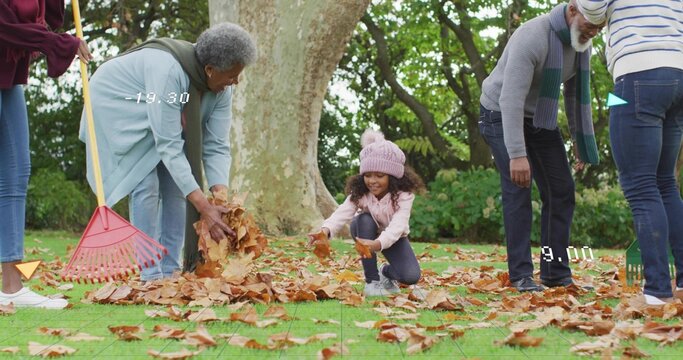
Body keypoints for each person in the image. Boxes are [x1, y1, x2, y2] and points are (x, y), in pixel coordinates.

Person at [79, 22, 256, 281]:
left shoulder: (221, 88)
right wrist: (202, 206)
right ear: (209, 70)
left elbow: (217, 144)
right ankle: (150, 274)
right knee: (146, 185)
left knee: (177, 187)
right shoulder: (169, 72)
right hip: (119, 105)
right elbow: (169, 144)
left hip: (158, 114)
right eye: (231, 75)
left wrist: (219, 198)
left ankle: (171, 269)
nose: (236, 81)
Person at [478, 0, 605, 292]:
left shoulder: (580, 41)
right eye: (590, 25)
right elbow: (510, 98)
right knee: (519, 189)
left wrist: (580, 141)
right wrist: (518, 155)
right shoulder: (532, 36)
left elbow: (576, 94)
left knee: (561, 190)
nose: (593, 33)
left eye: (599, 28)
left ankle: (555, 273)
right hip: (500, 113)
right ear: (573, 11)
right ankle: (521, 276)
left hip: (539, 118)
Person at [0, 0, 92, 308]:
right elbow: (7, 28)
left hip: (8, 78)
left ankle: (11, 289)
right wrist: (60, 43)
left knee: (15, 175)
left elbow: (51, 21)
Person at [603, 0, 683, 305]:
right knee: (665, 184)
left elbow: (590, 8)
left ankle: (658, 291)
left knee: (641, 185)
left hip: (636, 74)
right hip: (678, 76)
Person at [308, 130, 425, 298]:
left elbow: (398, 225)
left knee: (410, 276)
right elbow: (343, 212)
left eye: (380, 175)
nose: (372, 181)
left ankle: (385, 273)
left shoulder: (404, 196)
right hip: (365, 231)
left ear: (393, 177)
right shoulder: (361, 193)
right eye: (368, 175)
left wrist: (377, 244)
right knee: (363, 220)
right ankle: (372, 282)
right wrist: (325, 230)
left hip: (393, 237)